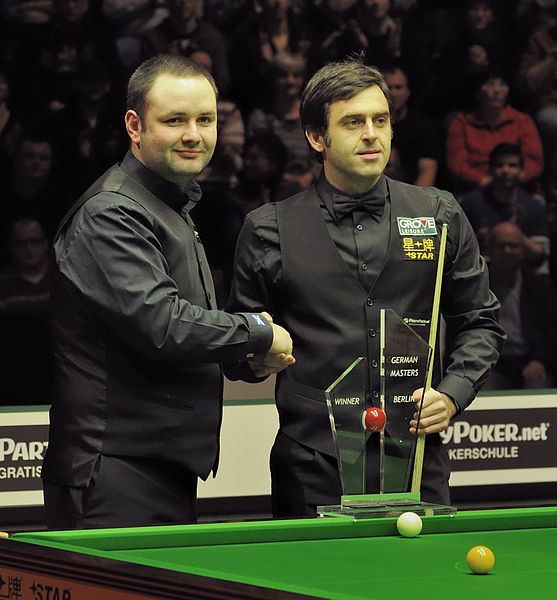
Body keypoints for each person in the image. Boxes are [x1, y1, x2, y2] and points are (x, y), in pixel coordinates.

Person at [227, 57, 505, 517]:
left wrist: (452, 392)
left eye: (380, 120)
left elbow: (481, 322)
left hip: (417, 456)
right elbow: (240, 349)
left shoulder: (440, 213)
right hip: (311, 461)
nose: (371, 133)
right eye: (353, 122)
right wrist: (256, 358)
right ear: (317, 137)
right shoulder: (266, 228)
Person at [41, 54, 295, 530]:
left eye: (206, 119)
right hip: (113, 472)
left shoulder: (167, 206)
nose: (193, 134)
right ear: (135, 126)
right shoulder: (110, 213)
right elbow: (163, 324)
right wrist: (258, 332)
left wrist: (243, 359)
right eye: (175, 120)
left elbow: (176, 330)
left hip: (152, 468)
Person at [445, 70, 544, 196]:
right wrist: (485, 181)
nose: (497, 90)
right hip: (475, 188)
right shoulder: (462, 122)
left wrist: (511, 179)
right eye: (490, 84)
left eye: (502, 84)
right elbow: (457, 165)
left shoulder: (522, 121)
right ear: (478, 92)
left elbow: (534, 161)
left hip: (517, 186)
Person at [483, 221, 556, 390]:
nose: (507, 251)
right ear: (490, 249)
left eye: (513, 246)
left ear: (523, 250)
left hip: (530, 358)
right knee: (481, 391)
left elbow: (552, 331)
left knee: (539, 389)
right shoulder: (476, 285)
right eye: (501, 245)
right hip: (489, 361)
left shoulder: (539, 285)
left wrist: (540, 361)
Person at [460, 143, 549, 266]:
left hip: (522, 274)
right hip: (482, 272)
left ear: (521, 171)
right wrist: (477, 239)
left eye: (512, 165)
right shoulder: (472, 203)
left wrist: (514, 235)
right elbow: (458, 250)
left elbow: (540, 256)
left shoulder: (534, 206)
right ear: (490, 170)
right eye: (499, 165)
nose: (505, 170)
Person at [0, 215, 54, 406]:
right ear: (11, 248)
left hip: (58, 375)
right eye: (21, 243)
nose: (29, 249)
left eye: (35, 241)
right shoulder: (2, 285)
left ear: (46, 243)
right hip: (12, 379)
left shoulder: (64, 279)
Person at [383, 64, 440, 187]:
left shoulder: (422, 127)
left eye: (398, 87)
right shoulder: (368, 125)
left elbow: (427, 173)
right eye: (388, 88)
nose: (393, 93)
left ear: (408, 92)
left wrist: (412, 204)